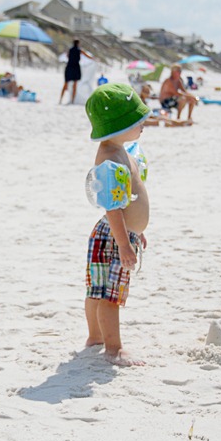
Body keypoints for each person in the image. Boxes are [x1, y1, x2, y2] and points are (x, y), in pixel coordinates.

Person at [84, 83, 150, 367]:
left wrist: (138, 231)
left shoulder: (119, 150)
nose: (143, 124)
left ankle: (95, 336)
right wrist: (124, 243)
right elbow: (112, 207)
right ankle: (113, 348)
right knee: (111, 295)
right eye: (137, 122)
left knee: (98, 290)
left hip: (116, 233)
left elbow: (128, 200)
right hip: (113, 235)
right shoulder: (110, 159)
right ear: (117, 127)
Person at [59, 39, 94, 104]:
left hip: (69, 67)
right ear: (78, 44)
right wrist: (93, 58)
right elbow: (87, 56)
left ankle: (60, 99)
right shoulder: (79, 50)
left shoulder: (70, 50)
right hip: (75, 67)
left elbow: (67, 56)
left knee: (66, 83)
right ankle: (72, 100)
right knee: (75, 84)